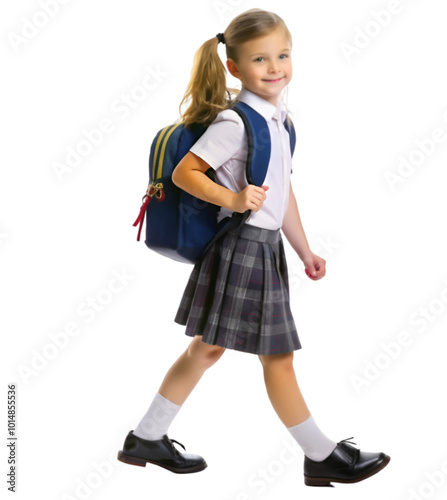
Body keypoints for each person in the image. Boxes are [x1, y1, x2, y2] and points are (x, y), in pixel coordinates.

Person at [118, 8, 390, 487]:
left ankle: (146, 437)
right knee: (277, 356)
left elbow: (281, 195)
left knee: (207, 350)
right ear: (235, 67)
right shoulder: (236, 122)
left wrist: (305, 251)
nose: (275, 67)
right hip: (242, 247)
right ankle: (320, 454)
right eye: (260, 59)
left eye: (282, 55)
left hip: (262, 249)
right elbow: (186, 172)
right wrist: (233, 198)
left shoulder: (280, 122)